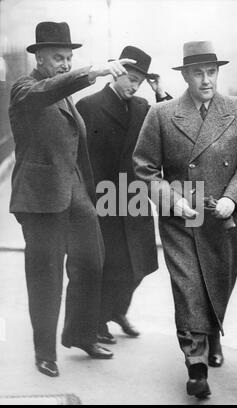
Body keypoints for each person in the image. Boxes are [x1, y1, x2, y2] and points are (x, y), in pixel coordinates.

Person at [9, 21, 136, 377]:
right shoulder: (25, 89)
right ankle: (44, 352)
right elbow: (45, 91)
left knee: (92, 264)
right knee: (45, 278)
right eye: (59, 58)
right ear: (40, 58)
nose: (65, 64)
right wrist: (90, 71)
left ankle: (80, 333)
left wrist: (87, 191)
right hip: (40, 199)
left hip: (76, 194)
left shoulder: (61, 93)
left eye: (69, 58)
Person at [133, 41, 237, 398]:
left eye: (212, 72)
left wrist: (232, 199)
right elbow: (143, 168)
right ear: (185, 76)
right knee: (188, 290)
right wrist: (173, 201)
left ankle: (213, 333)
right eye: (198, 73)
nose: (206, 80)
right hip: (181, 218)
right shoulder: (161, 114)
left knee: (218, 285)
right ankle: (196, 365)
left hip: (223, 219)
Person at [76, 46, 171, 344]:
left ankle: (117, 310)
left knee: (139, 266)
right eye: (130, 78)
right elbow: (79, 157)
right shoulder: (89, 106)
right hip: (102, 198)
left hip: (134, 198)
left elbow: (171, 128)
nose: (134, 85)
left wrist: (159, 92)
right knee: (111, 266)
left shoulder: (144, 106)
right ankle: (100, 321)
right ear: (116, 72)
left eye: (139, 81)